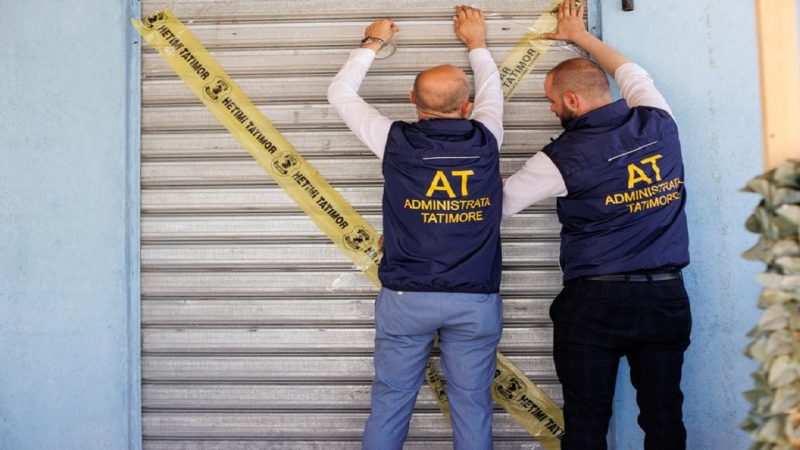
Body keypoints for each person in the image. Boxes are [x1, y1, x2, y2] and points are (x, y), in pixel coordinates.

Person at [502, 2, 691, 449]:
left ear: (572, 100)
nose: (551, 109)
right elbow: (630, 72)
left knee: (587, 423)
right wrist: (580, 36)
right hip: (666, 296)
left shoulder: (559, 158)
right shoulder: (658, 119)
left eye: (551, 101)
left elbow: (496, 206)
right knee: (664, 418)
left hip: (596, 302)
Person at [328, 6, 504, 450]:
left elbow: (339, 92)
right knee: (472, 405)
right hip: (475, 298)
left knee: (391, 402)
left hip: (407, 297)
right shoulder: (488, 138)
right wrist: (477, 43)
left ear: (412, 99)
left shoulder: (393, 140)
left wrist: (373, 42)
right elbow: (492, 92)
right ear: (468, 106)